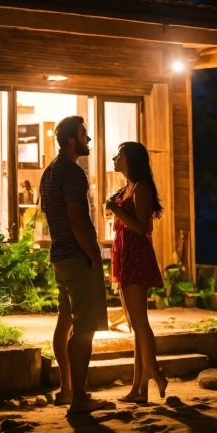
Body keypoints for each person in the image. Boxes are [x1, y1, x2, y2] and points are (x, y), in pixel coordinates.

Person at [40, 115, 113, 415]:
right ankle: (80, 399)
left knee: (65, 320)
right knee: (85, 330)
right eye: (84, 134)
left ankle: (67, 389)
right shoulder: (73, 172)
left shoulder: (49, 172)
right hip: (76, 256)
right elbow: (76, 219)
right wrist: (94, 255)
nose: (89, 139)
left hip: (59, 256)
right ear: (72, 140)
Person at [106, 141, 168, 403]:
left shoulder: (141, 188)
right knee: (135, 324)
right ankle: (139, 390)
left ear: (131, 159)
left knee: (140, 322)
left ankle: (156, 374)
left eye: (119, 155)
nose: (114, 158)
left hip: (137, 256)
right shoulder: (125, 189)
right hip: (125, 255)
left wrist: (116, 209)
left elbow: (142, 228)